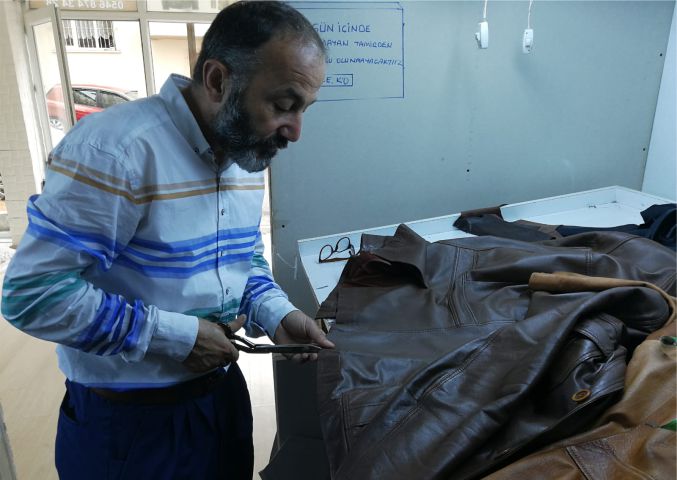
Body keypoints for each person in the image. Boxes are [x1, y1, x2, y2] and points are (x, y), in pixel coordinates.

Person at [1, 1, 334, 478]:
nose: (296, 131)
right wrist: (175, 338)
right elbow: (32, 295)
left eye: (304, 109)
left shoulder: (244, 154)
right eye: (283, 106)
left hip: (220, 401)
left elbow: (241, 261)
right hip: (129, 426)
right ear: (218, 81)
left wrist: (276, 313)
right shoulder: (115, 151)